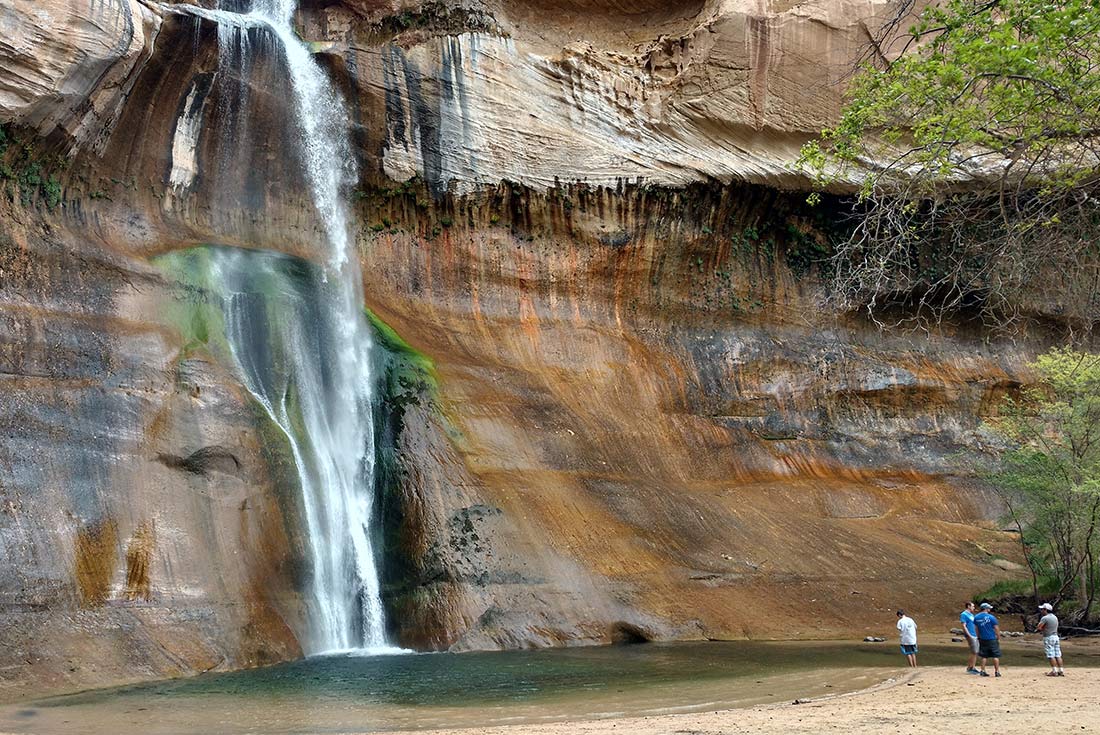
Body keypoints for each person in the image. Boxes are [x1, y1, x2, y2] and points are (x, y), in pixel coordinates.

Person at [973, 602, 1002, 677]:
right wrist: (998, 637)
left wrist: (978, 636)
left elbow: (976, 628)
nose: (990, 609)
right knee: (995, 655)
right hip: (992, 638)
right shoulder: (991, 617)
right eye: (989, 608)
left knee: (984, 656)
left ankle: (982, 670)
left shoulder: (976, 617)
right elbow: (996, 628)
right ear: (986, 609)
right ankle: (997, 671)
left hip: (982, 638)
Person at [1037, 602, 1064, 676]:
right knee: (1058, 654)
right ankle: (1061, 670)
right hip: (1056, 637)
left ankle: (1054, 671)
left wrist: (1042, 629)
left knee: (1051, 655)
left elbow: (1039, 627)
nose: (1041, 611)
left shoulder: (1045, 618)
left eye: (1042, 609)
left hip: (1048, 637)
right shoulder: (1055, 617)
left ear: (1046, 610)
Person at [960, 601, 980, 674]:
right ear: (968, 606)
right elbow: (964, 626)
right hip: (970, 634)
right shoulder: (964, 614)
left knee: (976, 651)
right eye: (973, 606)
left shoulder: (971, 615)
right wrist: (969, 635)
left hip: (975, 634)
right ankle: (970, 668)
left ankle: (973, 666)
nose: (974, 608)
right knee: (974, 651)